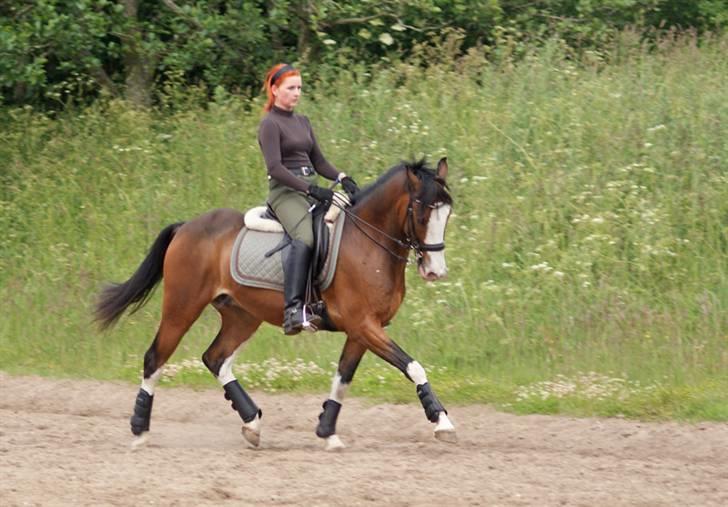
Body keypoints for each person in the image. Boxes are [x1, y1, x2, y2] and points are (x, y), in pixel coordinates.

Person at [258, 63, 360, 335]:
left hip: (308, 188)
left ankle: (320, 299)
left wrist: (341, 177)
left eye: (299, 88)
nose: (296, 93)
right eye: (291, 88)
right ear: (275, 89)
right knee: (304, 238)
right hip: (285, 193)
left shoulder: (302, 122)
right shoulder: (270, 124)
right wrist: (310, 189)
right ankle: (292, 310)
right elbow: (275, 168)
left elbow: (319, 161)